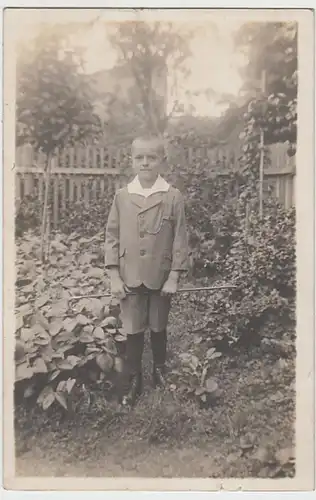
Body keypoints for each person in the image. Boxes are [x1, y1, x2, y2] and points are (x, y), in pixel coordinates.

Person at [105, 135, 189, 407]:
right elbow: (112, 237)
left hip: (160, 275)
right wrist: (114, 275)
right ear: (131, 160)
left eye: (151, 157)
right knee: (133, 328)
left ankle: (159, 371)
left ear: (161, 161)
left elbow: (180, 238)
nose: (145, 162)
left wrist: (174, 275)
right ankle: (134, 377)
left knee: (158, 324)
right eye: (139, 157)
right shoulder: (122, 196)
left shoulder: (172, 197)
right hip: (129, 275)